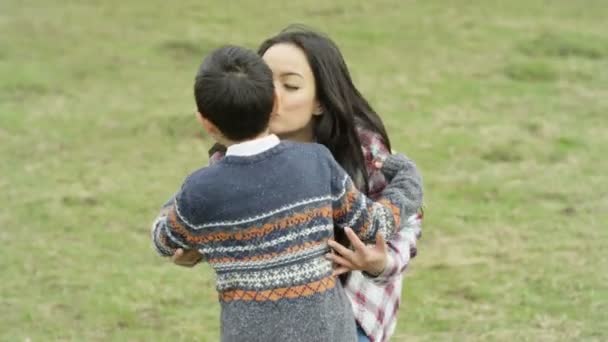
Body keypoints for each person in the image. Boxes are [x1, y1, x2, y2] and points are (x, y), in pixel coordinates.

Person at [171, 26, 424, 342]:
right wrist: (197, 248)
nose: (273, 96)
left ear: (320, 101)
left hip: (356, 312)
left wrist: (380, 262)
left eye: (290, 85)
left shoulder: (360, 149)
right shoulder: (228, 163)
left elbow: (403, 221)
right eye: (265, 81)